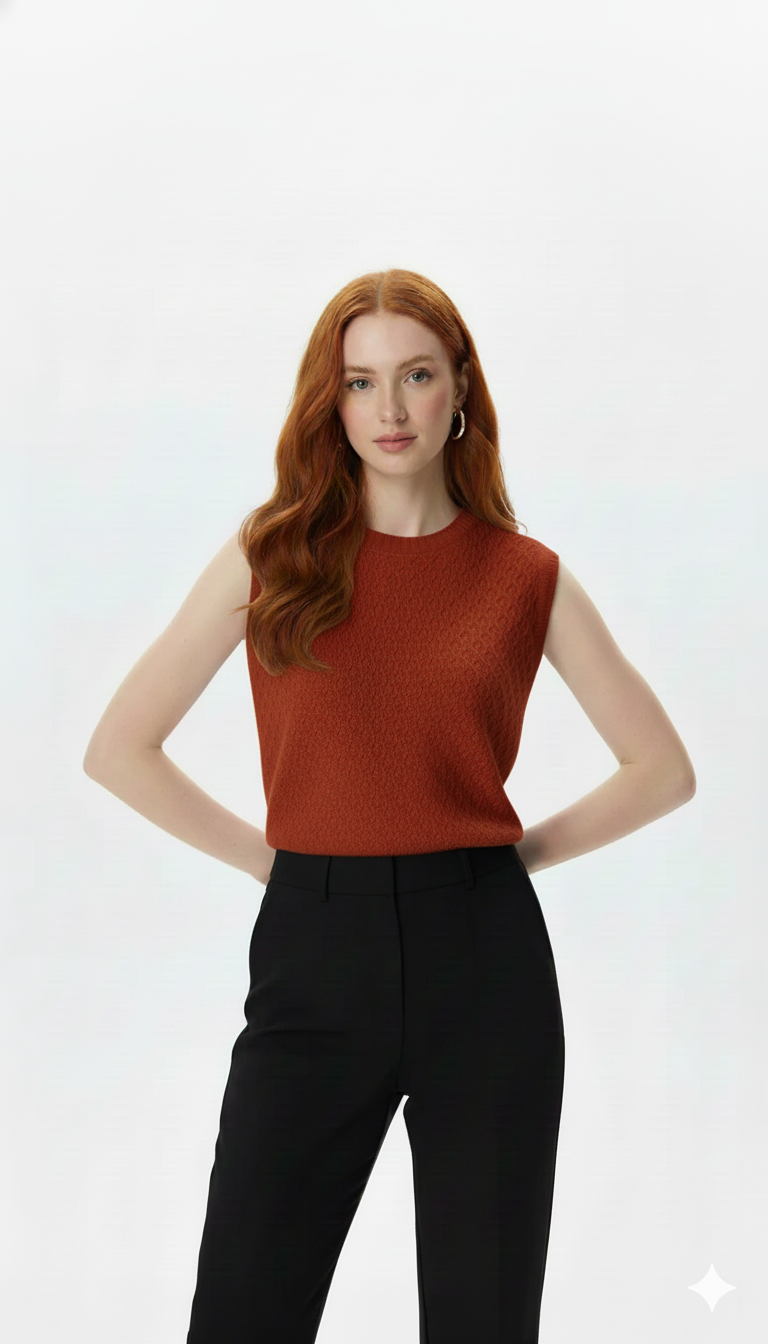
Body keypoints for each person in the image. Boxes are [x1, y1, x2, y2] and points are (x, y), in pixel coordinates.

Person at [83, 268, 696, 1344]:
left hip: (485, 966)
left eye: (416, 375)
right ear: (333, 402)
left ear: (460, 388)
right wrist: (280, 865)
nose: (391, 409)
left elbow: (662, 769)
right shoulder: (273, 556)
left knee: (482, 1321)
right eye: (361, 383)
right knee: (242, 1312)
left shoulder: (524, 576)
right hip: (313, 958)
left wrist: (497, 862)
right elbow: (119, 748)